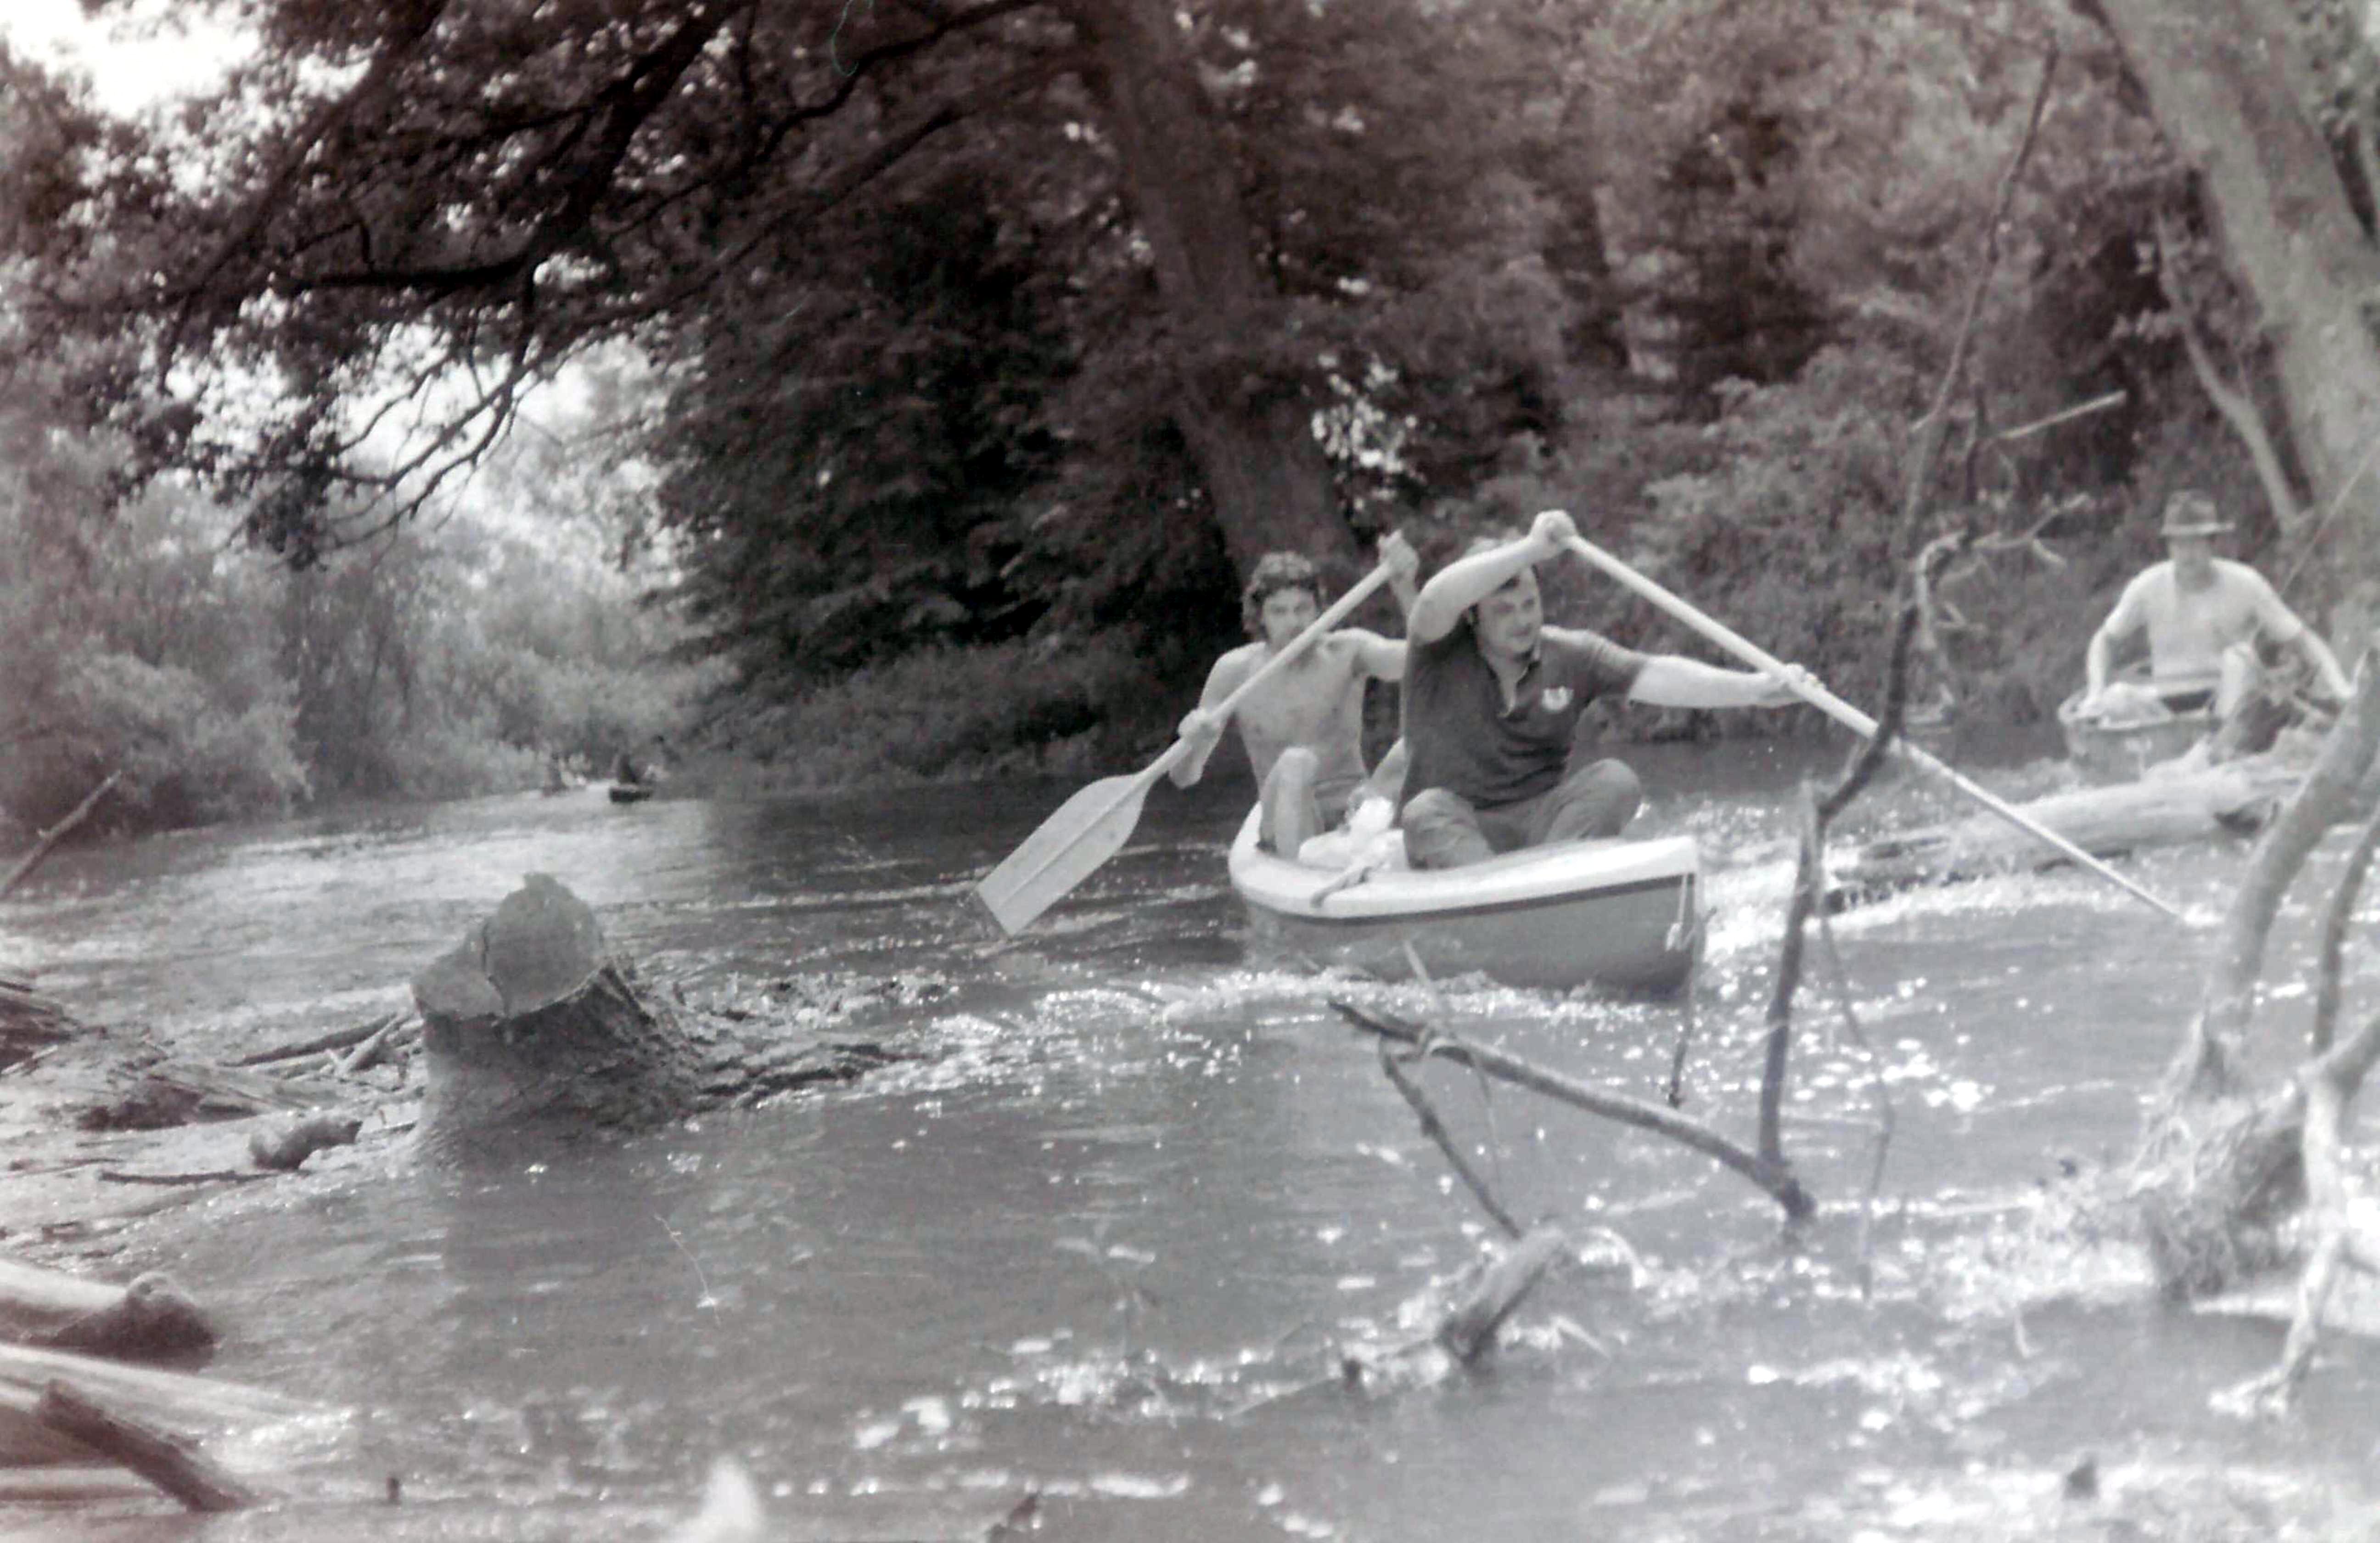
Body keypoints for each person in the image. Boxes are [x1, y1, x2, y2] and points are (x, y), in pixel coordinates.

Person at [1398, 509, 1806, 870]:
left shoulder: (1572, 654)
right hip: (1458, 827)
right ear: (1472, 616)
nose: (1522, 621)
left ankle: (1551, 881)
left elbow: (1660, 674)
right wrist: (1532, 549)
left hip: (1544, 827)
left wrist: (1758, 689)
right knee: (1424, 810)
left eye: (1530, 604)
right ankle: (1499, 893)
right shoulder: (1437, 648)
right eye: (1504, 610)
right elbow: (1433, 600)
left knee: (1614, 780)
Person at [1172, 533, 1421, 855]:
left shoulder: (1349, 651)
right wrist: (1195, 744)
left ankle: (1361, 848)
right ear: (1260, 617)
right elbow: (1184, 777)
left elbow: (1426, 661)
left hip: (1352, 811)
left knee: (1412, 745)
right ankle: (1299, 869)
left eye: (1303, 608)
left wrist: (1404, 586)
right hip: (1283, 820)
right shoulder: (1235, 670)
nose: (1294, 622)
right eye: (1279, 612)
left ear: (1319, 610)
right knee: (1296, 761)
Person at [2076, 491, 2351, 749]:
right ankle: (2163, 752)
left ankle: (2226, 745)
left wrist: (2340, 687)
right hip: (2166, 706)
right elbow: (2104, 640)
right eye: (2179, 544)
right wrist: (2095, 693)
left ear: (2213, 544)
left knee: (2239, 656)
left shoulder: (2246, 583)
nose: (2188, 553)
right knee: (2116, 697)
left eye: (2196, 542)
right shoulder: (2148, 586)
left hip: (2227, 704)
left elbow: (2303, 639)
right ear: (2169, 547)